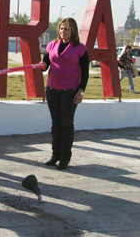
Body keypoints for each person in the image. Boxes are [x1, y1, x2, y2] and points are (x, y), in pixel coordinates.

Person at [42, 17, 89, 170]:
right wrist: (40, 66)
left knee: (66, 124)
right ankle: (55, 155)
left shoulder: (80, 48)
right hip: (52, 90)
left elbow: (85, 73)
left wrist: (80, 92)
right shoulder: (52, 45)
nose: (63, 31)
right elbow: (45, 64)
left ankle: (64, 158)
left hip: (70, 91)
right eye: (61, 28)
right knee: (56, 124)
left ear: (73, 31)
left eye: (67, 29)